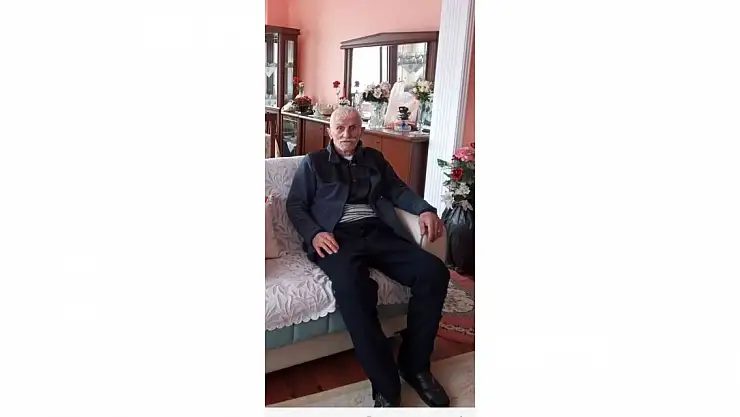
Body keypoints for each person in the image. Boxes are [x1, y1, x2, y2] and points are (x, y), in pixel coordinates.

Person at [286, 106, 451, 407]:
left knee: (434, 272)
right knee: (354, 289)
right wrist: (314, 233)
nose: (346, 134)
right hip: (336, 238)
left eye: (352, 127)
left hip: (377, 231)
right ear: (329, 131)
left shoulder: (374, 159)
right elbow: (296, 205)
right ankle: (386, 384)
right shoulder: (314, 163)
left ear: (361, 130)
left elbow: (398, 190)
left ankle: (415, 366)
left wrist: (425, 209)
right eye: (340, 128)